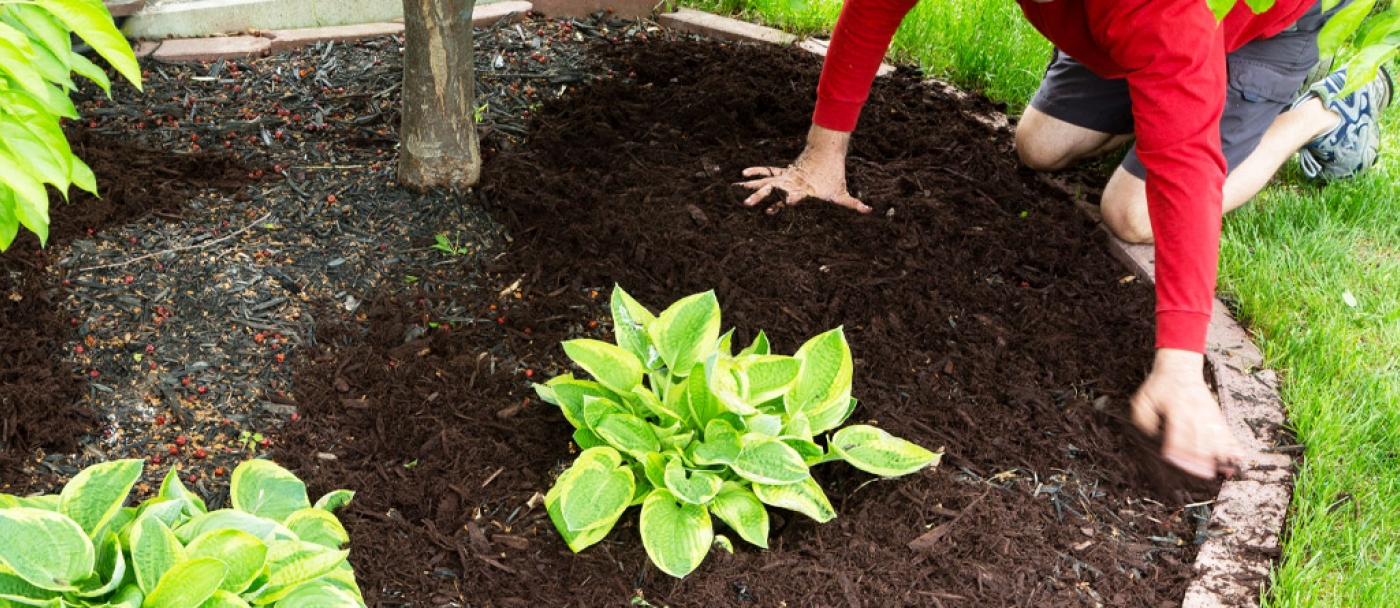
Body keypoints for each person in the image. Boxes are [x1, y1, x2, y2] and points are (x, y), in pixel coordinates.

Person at [738, 0, 1392, 479]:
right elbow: (876, 6)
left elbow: (1187, 171)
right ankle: (1160, 89)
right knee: (1039, 146)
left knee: (1133, 212)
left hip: (1249, 24)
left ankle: (1320, 111)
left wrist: (1180, 369)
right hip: (1119, 27)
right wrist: (822, 158)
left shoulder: (1160, 10)